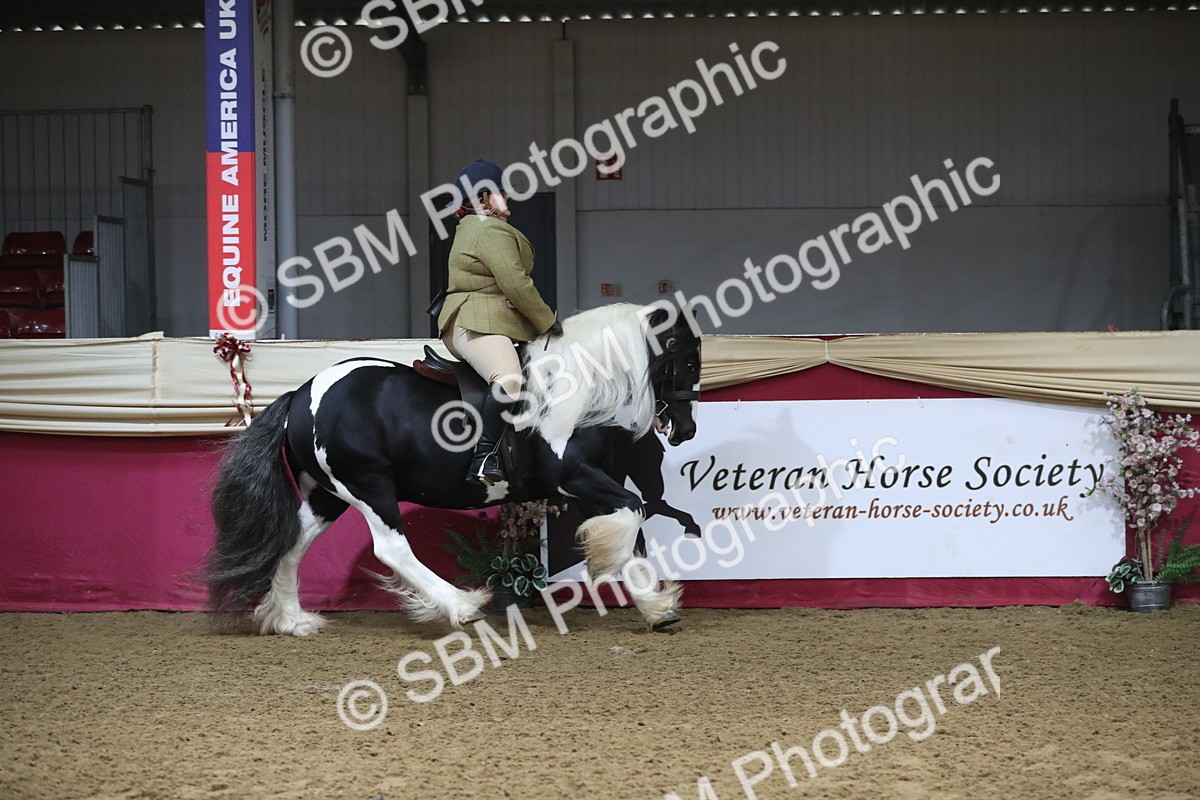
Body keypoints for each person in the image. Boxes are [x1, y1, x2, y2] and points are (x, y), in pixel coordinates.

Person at [437, 159, 563, 487]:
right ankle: (484, 457)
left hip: (477, 319)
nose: (508, 199)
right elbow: (516, 284)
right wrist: (548, 321)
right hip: (474, 321)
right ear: (483, 199)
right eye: (502, 194)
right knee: (508, 379)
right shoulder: (487, 228)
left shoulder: (476, 227)